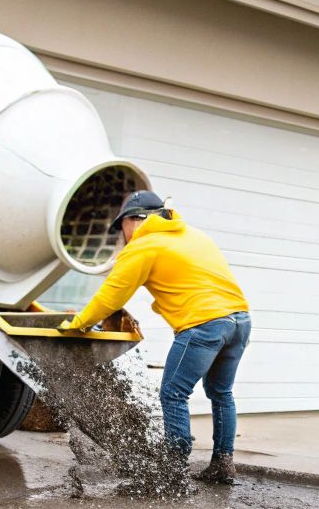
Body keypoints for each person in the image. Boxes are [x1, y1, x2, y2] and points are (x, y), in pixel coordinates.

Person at [60, 190, 250, 483]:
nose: (121, 236)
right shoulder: (194, 235)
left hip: (204, 325)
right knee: (221, 393)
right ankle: (223, 463)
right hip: (239, 321)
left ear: (135, 220)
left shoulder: (145, 245)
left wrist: (79, 323)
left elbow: (111, 295)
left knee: (173, 393)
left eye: (121, 226)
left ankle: (174, 465)